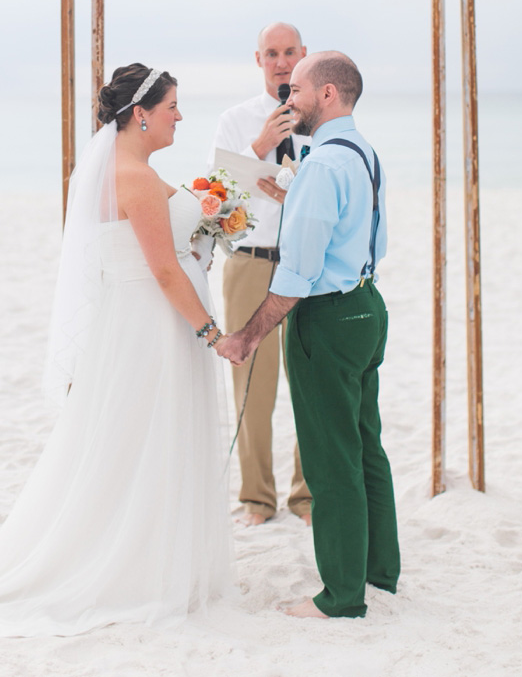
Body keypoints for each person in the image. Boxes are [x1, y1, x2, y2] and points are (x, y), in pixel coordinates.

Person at [0, 64, 232, 638]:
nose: (179, 116)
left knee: (139, 441)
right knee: (143, 439)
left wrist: (227, 191)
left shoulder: (134, 169)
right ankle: (133, 566)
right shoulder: (132, 176)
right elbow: (162, 270)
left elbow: (184, 220)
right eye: (172, 107)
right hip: (148, 325)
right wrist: (214, 333)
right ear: (141, 114)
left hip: (141, 323)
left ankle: (147, 552)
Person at [217, 51, 400, 619]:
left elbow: (295, 276)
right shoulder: (361, 152)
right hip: (368, 306)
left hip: (327, 319)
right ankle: (379, 572)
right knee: (366, 445)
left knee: (330, 459)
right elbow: (365, 233)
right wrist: (292, 196)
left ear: (326, 94)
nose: (287, 97)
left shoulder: (320, 165)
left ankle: (341, 596)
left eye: (295, 89)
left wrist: (247, 335)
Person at [209, 22, 312, 526]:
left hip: (305, 264)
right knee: (251, 384)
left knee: (310, 383)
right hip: (251, 262)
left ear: (304, 54)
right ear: (259, 60)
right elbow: (217, 198)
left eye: (290, 52)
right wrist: (259, 145)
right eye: (272, 53)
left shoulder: (323, 118)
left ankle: (307, 497)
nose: (281, 62)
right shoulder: (236, 120)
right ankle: (256, 498)